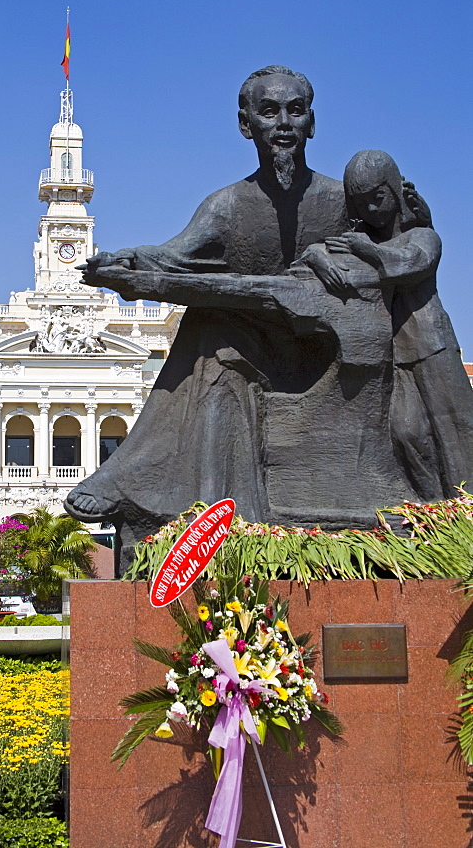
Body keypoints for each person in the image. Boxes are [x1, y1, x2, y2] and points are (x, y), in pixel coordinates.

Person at [63, 68, 422, 572]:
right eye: (269, 111)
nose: (283, 124)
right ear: (245, 124)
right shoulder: (227, 205)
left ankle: (131, 476)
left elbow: (399, 242)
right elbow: (171, 256)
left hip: (329, 354)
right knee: (211, 330)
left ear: (312, 123)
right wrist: (126, 264)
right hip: (255, 350)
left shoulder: (342, 201)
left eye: (295, 111)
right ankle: (202, 506)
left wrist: (411, 217)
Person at [322, 149, 473, 499]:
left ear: (394, 190)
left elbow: (409, 263)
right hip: (396, 352)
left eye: (377, 199)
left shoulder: (423, 237)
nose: (371, 211)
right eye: (362, 204)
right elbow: (330, 256)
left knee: (454, 431)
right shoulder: (367, 243)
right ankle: (435, 507)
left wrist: (368, 250)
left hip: (430, 346)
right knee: (406, 431)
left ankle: (463, 508)